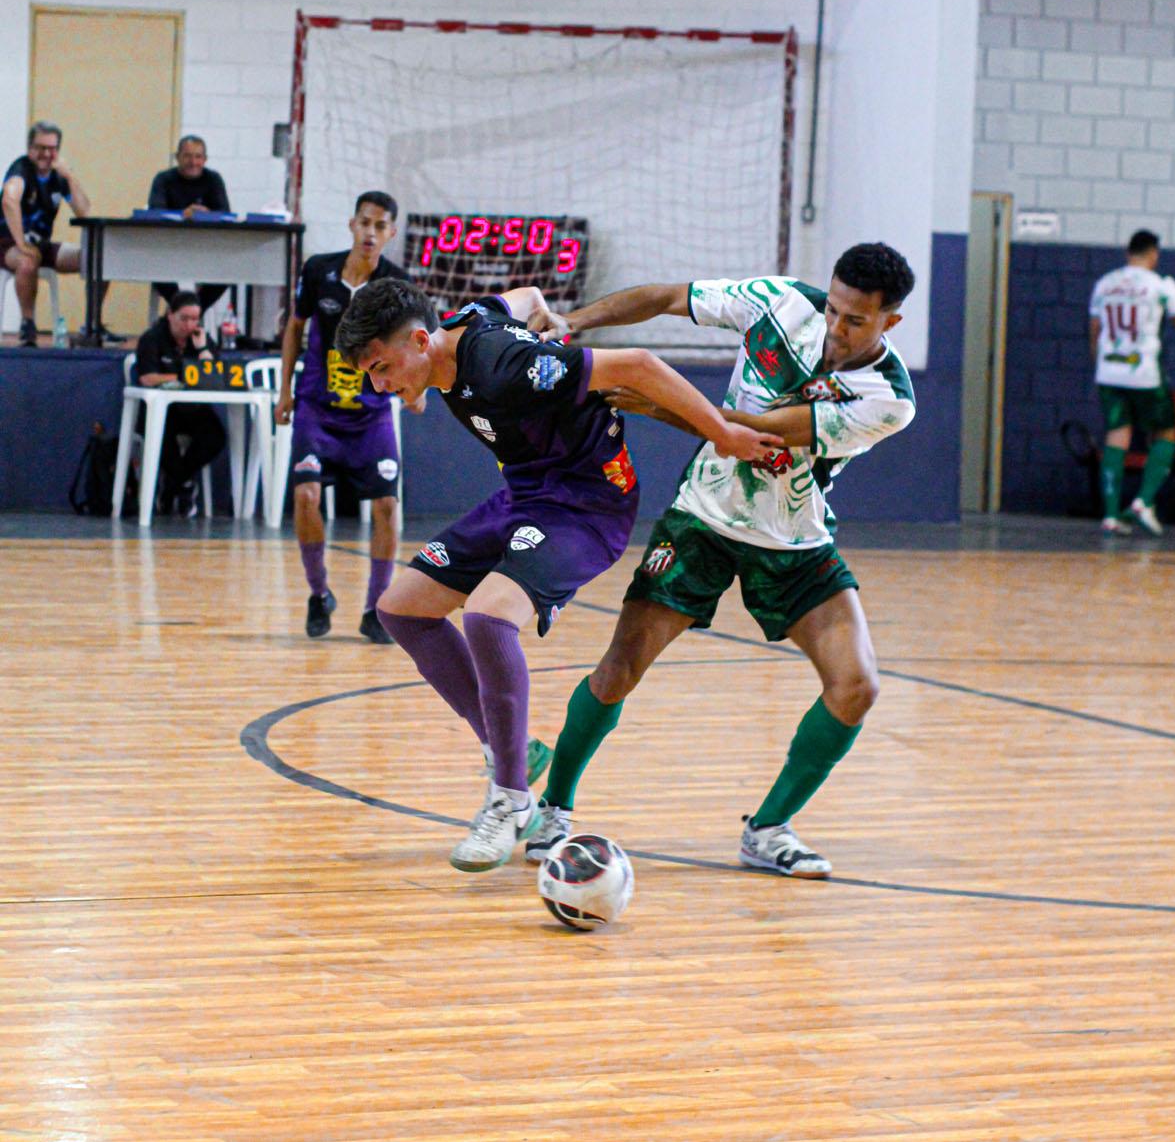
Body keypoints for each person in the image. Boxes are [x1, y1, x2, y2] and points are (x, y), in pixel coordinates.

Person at [334, 277, 778, 873]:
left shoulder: (504, 365)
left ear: (420, 340)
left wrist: (723, 434)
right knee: (402, 607)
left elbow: (641, 365)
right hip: (527, 493)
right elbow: (522, 296)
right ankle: (506, 747)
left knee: (490, 618)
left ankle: (511, 798)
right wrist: (545, 311)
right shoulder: (464, 325)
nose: (378, 385)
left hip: (587, 505)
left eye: (382, 367)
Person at [525, 242, 917, 880]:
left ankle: (768, 831)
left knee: (857, 686)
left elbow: (754, 434)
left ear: (889, 324)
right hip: (704, 517)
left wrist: (652, 398)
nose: (837, 329)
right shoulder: (781, 303)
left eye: (856, 321)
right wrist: (577, 323)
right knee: (619, 669)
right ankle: (553, 807)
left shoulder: (887, 398)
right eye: (836, 310)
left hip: (794, 541)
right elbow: (665, 298)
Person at [275, 191, 415, 645]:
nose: (371, 233)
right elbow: (295, 327)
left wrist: (417, 389)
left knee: (387, 506)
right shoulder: (319, 270)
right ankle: (319, 593)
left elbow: (418, 342)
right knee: (306, 497)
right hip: (317, 409)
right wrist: (285, 391)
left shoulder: (397, 285)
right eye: (364, 223)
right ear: (352, 225)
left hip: (372, 415)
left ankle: (377, 608)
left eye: (380, 226)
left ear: (391, 234)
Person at [1088, 228, 1175, 536]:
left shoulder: (1105, 284)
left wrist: (1097, 364)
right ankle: (1143, 500)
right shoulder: (1161, 285)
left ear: (1128, 253)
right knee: (1167, 432)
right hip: (1143, 373)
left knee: (1117, 436)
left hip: (1109, 371)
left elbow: (1095, 328)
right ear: (1154, 254)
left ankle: (1111, 516)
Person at [134, 289, 227, 514]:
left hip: (192, 409)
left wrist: (203, 349)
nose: (189, 325)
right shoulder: (152, 338)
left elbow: (212, 376)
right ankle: (182, 487)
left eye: (194, 319)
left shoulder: (201, 339)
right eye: (183, 318)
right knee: (161, 437)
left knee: (215, 436)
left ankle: (173, 486)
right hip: (160, 410)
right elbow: (147, 377)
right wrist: (183, 376)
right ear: (170, 314)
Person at [1, 121, 90, 346]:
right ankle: (28, 324)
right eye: (40, 148)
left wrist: (70, 177)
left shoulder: (59, 177)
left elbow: (84, 210)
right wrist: (21, 243)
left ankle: (91, 325)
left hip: (42, 243)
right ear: (30, 148)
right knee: (27, 261)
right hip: (8, 242)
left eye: (52, 149)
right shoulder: (21, 169)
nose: (46, 154)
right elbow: (9, 200)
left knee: (96, 259)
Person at [147, 134, 232, 315]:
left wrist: (207, 215)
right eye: (187, 156)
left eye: (198, 157)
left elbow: (225, 215)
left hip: (206, 249)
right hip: (167, 248)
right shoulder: (163, 179)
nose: (193, 162)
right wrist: (182, 214)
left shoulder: (214, 179)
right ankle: (182, 309)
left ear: (205, 159)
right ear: (177, 157)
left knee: (229, 272)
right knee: (152, 268)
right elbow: (155, 213)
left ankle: (193, 313)